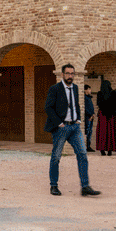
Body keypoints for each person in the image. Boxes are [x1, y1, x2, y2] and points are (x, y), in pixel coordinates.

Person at [44, 63, 100, 196]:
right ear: (62, 74)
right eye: (68, 73)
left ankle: (85, 186)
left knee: (83, 154)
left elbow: (76, 105)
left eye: (72, 73)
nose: (70, 76)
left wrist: (79, 119)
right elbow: (48, 107)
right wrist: (59, 123)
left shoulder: (75, 88)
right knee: (56, 157)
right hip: (61, 128)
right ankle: (53, 185)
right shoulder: (55, 88)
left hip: (75, 127)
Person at [95, 79, 116, 155]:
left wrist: (104, 109)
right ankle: (110, 150)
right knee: (111, 132)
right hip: (112, 115)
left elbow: (99, 104)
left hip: (103, 115)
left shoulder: (100, 93)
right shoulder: (113, 93)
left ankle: (102, 149)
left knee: (102, 132)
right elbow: (115, 104)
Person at [83, 84, 95, 152]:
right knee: (87, 131)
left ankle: (88, 146)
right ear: (85, 90)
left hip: (91, 116)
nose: (90, 90)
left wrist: (93, 114)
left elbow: (91, 107)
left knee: (90, 132)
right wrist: (90, 115)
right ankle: (85, 146)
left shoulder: (89, 97)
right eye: (89, 89)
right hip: (87, 117)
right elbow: (85, 108)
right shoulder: (84, 98)